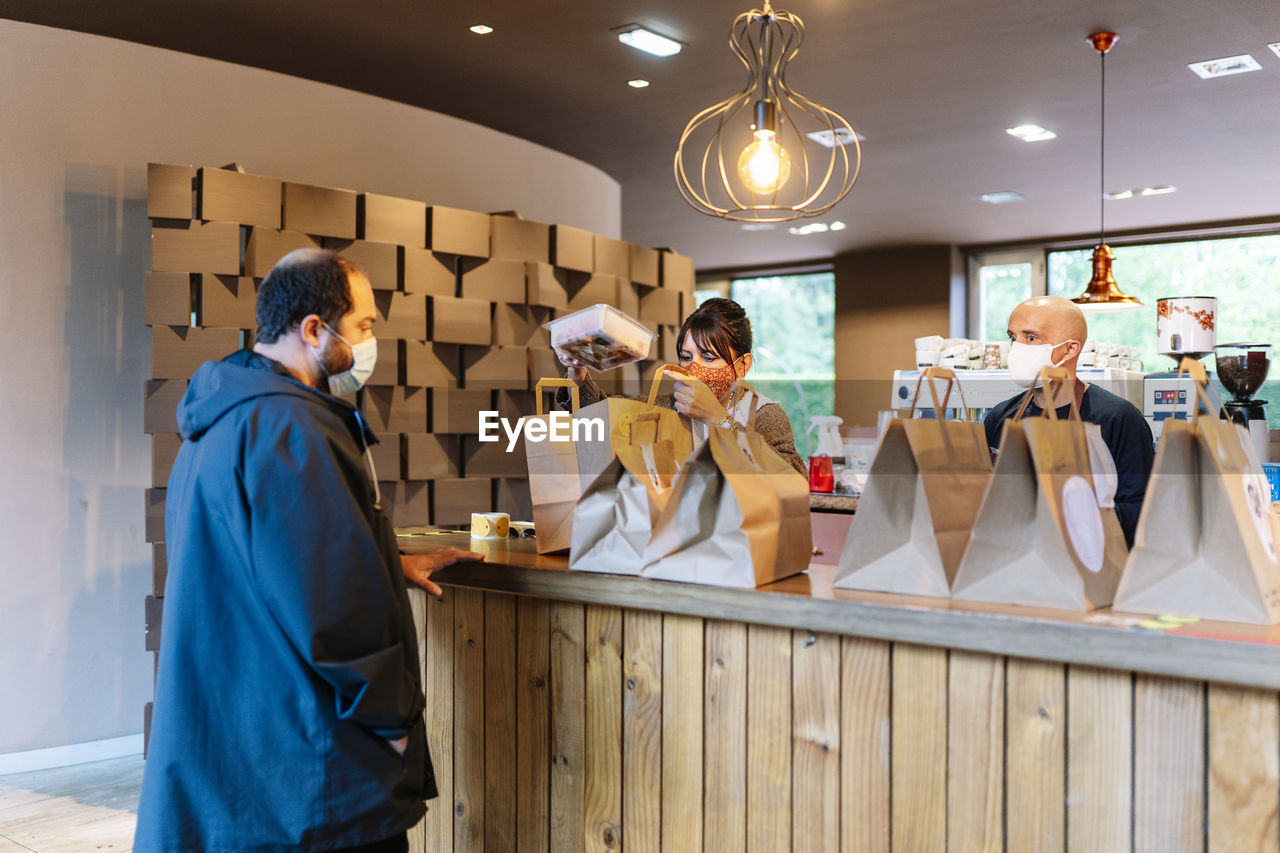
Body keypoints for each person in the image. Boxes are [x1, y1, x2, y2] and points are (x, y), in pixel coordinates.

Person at [135, 249, 481, 853]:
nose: (370, 343)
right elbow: (336, 609)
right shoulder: (293, 428)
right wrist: (393, 725)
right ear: (315, 330)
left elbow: (262, 559)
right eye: (365, 327)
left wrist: (383, 559)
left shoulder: (220, 417)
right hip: (311, 763)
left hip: (249, 747)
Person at [559, 297, 807, 477]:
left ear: (742, 365)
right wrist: (578, 374)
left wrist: (718, 418)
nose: (694, 368)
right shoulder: (666, 404)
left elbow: (794, 481)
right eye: (686, 357)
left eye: (708, 358)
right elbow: (604, 418)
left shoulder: (765, 414)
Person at [982, 295, 1154, 546]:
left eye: (1031, 338)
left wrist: (1075, 518)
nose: (1017, 347)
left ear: (1070, 349)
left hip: (1091, 566)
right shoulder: (1001, 417)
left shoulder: (1118, 418)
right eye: (1013, 337)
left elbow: (1143, 512)